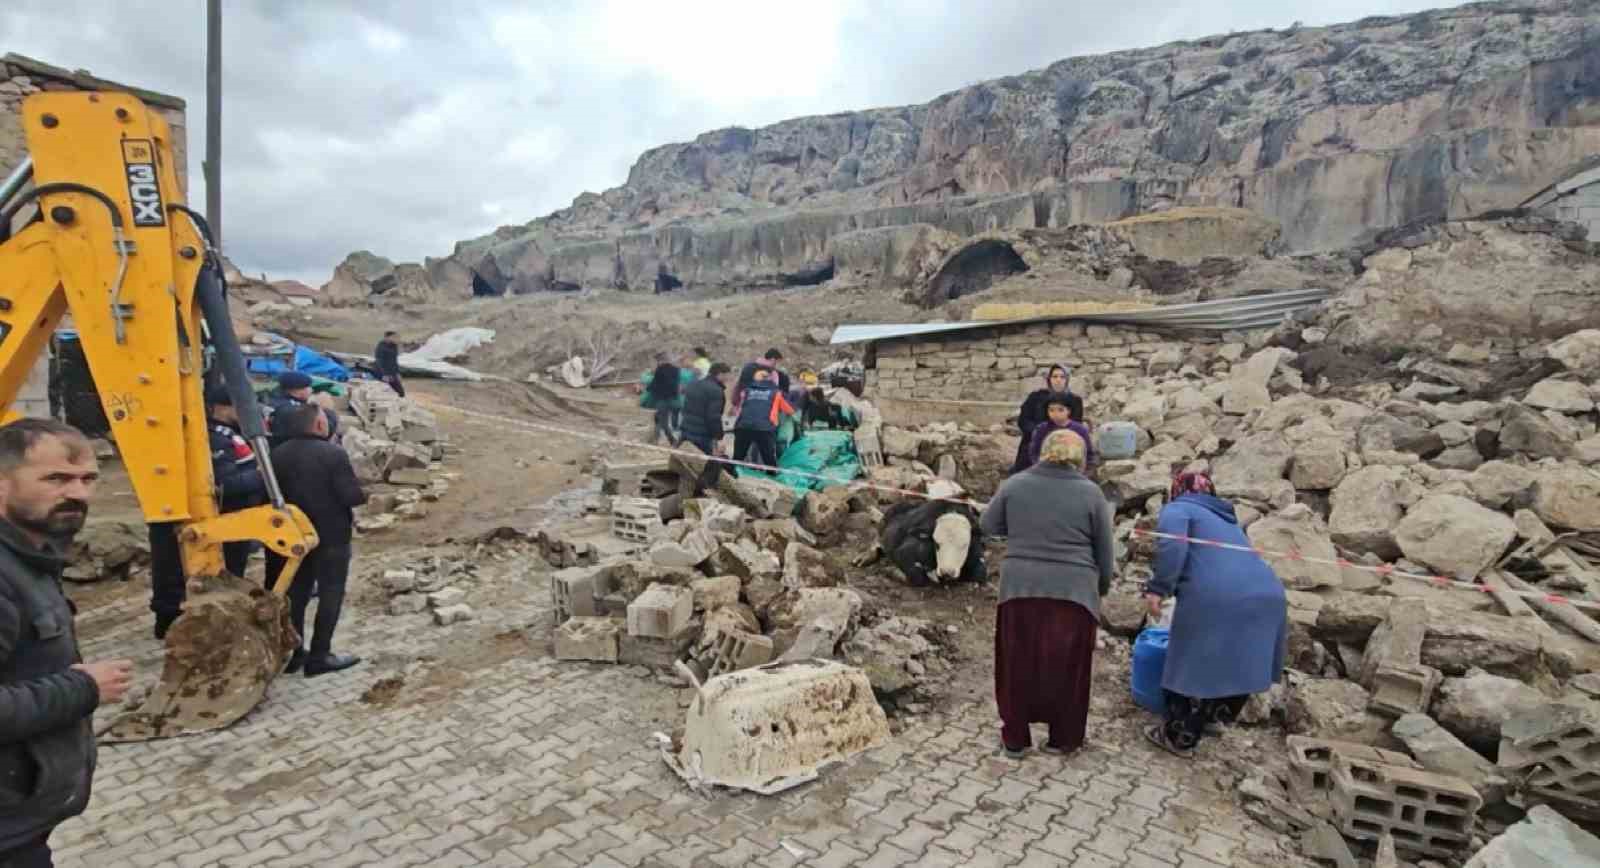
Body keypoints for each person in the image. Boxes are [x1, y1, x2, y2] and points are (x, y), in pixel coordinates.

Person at [0, 419, 132, 866]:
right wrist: (84, 688)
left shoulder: (31, 557)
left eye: (87, 479)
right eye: (55, 478)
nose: (77, 493)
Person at [980, 429, 1113, 759]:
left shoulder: (1015, 484)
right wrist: (1102, 588)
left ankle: (1015, 740)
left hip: (1020, 589)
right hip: (1074, 592)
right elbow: (1105, 551)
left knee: (1016, 665)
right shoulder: (1092, 494)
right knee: (1068, 670)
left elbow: (988, 524)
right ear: (1079, 456)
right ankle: (1062, 739)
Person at [1142, 470, 1287, 758]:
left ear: (1177, 490)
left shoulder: (1179, 508)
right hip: (1268, 594)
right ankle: (1213, 718)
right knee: (1236, 658)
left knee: (1191, 658)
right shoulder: (1227, 520)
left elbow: (1172, 545)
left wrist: (1158, 588)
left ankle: (1179, 736)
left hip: (1218, 595)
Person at [150, 387, 269, 639]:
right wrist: (261, 475)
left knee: (231, 574)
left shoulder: (231, 435)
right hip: (219, 522)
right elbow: (222, 486)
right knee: (207, 574)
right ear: (222, 408)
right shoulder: (212, 439)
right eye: (238, 406)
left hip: (235, 522)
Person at [267, 404, 367, 677]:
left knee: (297, 595)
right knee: (331, 593)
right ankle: (320, 655)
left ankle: (296, 652)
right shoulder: (332, 454)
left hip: (294, 538)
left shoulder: (277, 455)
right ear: (319, 426)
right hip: (331, 536)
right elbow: (352, 496)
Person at [1009, 364, 1084, 475]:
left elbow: (1075, 425)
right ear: (1049, 379)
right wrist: (1039, 433)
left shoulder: (1075, 401)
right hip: (1033, 445)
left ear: (1067, 380)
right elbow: (1023, 421)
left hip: (1062, 448)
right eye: (1055, 376)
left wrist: (1056, 436)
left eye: (1062, 377)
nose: (1058, 380)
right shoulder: (1036, 397)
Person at [679, 362, 732, 494]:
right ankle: (701, 495)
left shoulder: (694, 384)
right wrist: (719, 438)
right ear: (719, 374)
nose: (728, 379)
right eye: (726, 376)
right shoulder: (716, 391)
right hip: (702, 434)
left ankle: (686, 491)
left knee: (687, 465)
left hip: (686, 430)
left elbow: (685, 407)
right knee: (709, 467)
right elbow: (713, 417)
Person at [731, 366, 792, 470]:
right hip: (765, 428)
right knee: (769, 459)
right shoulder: (776, 393)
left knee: (737, 457)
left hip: (743, 426)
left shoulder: (747, 391)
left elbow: (739, 408)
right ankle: (773, 478)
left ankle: (731, 475)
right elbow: (789, 410)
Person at [1023, 394, 1096, 471]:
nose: (1055, 414)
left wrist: (1084, 473)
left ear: (1068, 411)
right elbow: (1034, 452)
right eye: (1051, 410)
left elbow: (1089, 455)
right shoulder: (1041, 429)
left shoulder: (1080, 429)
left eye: (1060, 410)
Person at [645, 353, 683, 445]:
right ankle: (655, 438)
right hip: (675, 399)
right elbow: (676, 384)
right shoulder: (676, 370)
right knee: (662, 419)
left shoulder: (660, 370)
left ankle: (672, 440)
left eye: (657, 361)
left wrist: (647, 388)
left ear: (660, 361)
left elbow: (654, 384)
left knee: (662, 421)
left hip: (663, 400)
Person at [374, 331, 405, 397]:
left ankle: (399, 405)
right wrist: (384, 375)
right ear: (387, 337)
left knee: (401, 393)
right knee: (384, 393)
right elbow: (379, 362)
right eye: (394, 337)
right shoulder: (380, 347)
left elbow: (395, 361)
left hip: (393, 373)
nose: (396, 339)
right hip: (382, 374)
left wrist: (397, 373)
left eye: (397, 337)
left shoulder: (394, 346)